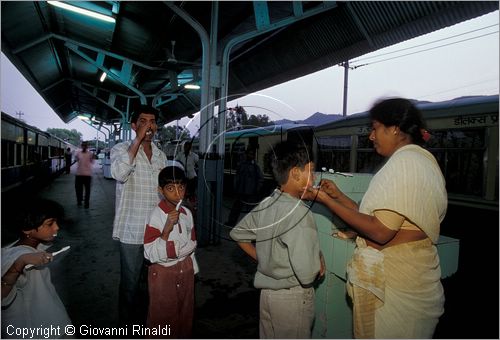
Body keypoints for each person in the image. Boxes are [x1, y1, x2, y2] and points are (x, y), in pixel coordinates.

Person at [303, 98, 447, 338]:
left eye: (375, 127)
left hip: (396, 287)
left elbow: (379, 231)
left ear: (394, 129)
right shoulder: (425, 161)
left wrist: (326, 201)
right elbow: (379, 217)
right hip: (419, 280)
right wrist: (339, 196)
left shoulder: (402, 163)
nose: (371, 136)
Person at [230, 141, 325, 339]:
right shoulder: (299, 213)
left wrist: (264, 258)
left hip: (267, 296)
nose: (314, 177)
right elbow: (308, 274)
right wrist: (319, 262)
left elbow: (238, 233)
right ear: (296, 174)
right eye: (311, 171)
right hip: (292, 299)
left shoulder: (268, 202)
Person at [110, 104, 167, 325]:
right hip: (132, 232)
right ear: (133, 126)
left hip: (156, 231)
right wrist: (137, 142)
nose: (148, 126)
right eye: (143, 121)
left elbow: (162, 192)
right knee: (130, 286)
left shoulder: (161, 155)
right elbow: (119, 173)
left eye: (152, 121)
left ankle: (145, 325)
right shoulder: (121, 149)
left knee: (152, 284)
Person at [1, 198, 72, 338]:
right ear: (28, 229)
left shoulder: (29, 246)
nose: (56, 228)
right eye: (50, 224)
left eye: (56, 222)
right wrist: (17, 266)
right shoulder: (17, 257)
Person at [143, 165, 198, 338]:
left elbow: (193, 242)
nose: (177, 193)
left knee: (185, 312)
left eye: (181, 187)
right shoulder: (155, 216)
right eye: (170, 188)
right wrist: (166, 230)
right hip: (163, 273)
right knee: (162, 317)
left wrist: (190, 265)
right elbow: (149, 253)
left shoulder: (187, 213)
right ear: (161, 190)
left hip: (186, 270)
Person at [226, 147, 263, 226]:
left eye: (252, 154)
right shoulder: (242, 165)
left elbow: (260, 178)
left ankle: (251, 225)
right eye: (249, 154)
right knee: (236, 208)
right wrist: (236, 187)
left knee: (249, 210)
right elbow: (237, 177)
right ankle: (231, 222)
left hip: (250, 192)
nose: (250, 156)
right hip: (241, 191)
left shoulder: (255, 166)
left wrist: (257, 189)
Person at [75, 141, 94, 208]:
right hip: (87, 175)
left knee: (78, 189)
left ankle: (79, 201)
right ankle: (86, 204)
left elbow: (77, 160)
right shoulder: (90, 153)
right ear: (87, 146)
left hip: (79, 174)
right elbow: (92, 161)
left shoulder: (78, 153)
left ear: (81, 146)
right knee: (87, 190)